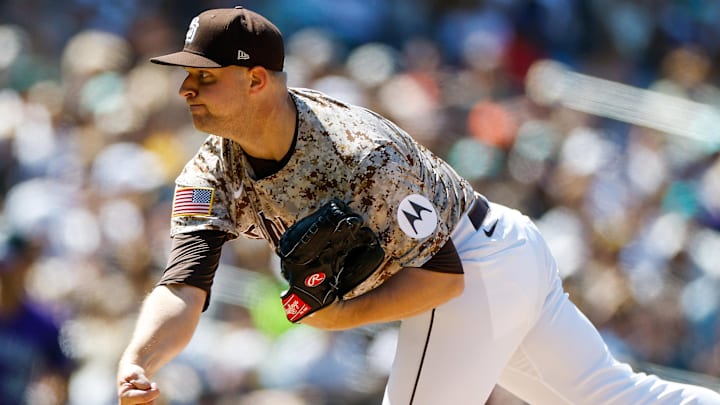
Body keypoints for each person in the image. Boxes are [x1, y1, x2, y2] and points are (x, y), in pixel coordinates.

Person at [117, 6, 720, 405]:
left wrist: (339, 317)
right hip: (494, 251)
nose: (186, 88)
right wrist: (139, 361)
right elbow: (183, 286)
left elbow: (441, 278)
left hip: (471, 266)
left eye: (206, 75)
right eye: (186, 75)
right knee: (613, 398)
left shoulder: (360, 153)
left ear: (257, 81)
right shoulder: (211, 167)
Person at [0, 227, 74, 404]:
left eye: (7, 268)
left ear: (27, 265)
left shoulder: (44, 324)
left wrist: (51, 395)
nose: (3, 275)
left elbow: (60, 382)